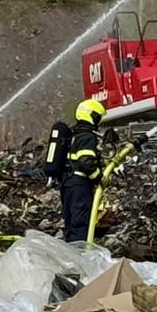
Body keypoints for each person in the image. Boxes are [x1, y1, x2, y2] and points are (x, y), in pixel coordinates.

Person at [51, 99, 106, 243]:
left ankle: (71, 252)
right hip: (79, 185)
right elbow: (85, 162)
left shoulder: (73, 135)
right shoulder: (86, 137)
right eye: (97, 117)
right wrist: (99, 177)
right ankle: (79, 254)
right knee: (80, 224)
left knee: (71, 223)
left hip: (67, 183)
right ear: (91, 116)